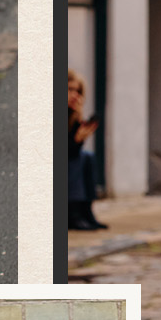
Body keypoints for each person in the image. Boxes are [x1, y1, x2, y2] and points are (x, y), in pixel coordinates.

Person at [68, 71, 105, 230]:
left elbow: (72, 150)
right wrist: (76, 140)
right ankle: (73, 213)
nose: (74, 95)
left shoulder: (73, 115)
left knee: (87, 156)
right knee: (80, 158)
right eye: (70, 89)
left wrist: (79, 136)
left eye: (78, 91)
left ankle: (87, 211)